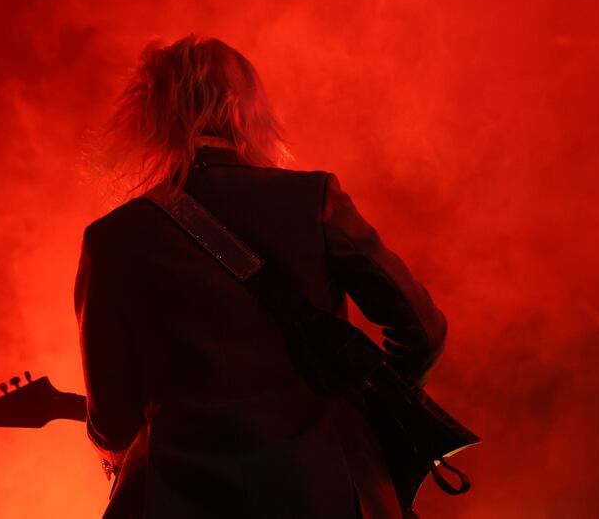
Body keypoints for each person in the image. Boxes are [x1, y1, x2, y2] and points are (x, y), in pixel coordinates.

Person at [74, 34, 447, 519]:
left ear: (149, 117)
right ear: (244, 109)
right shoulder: (312, 198)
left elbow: (113, 422)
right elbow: (423, 330)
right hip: (327, 496)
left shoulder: (112, 238)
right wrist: (374, 409)